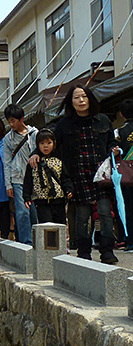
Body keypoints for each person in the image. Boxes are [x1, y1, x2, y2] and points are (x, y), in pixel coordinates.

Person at [32, 85, 120, 263]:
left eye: (84, 97)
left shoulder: (103, 120)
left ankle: (107, 251)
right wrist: (37, 153)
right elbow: (51, 144)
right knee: (82, 217)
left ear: (90, 99)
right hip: (78, 175)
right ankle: (83, 251)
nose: (81, 101)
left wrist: (114, 149)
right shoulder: (64, 124)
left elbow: (111, 141)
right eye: (76, 98)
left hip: (101, 175)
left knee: (105, 212)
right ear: (70, 102)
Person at [3, 104, 38, 244]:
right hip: (17, 178)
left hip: (34, 178)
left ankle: (37, 240)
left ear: (22, 119)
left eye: (13, 121)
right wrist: (8, 184)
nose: (11, 124)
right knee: (22, 211)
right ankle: (26, 243)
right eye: (9, 121)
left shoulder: (34, 134)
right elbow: (6, 162)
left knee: (34, 212)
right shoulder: (8, 139)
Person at [23, 129, 73, 225]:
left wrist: (69, 189)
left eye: (49, 143)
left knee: (59, 224)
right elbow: (28, 181)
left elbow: (65, 178)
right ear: (37, 145)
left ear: (54, 143)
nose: (46, 146)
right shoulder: (33, 162)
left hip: (58, 199)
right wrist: (27, 197)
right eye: (42, 143)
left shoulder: (58, 160)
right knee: (45, 225)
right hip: (41, 200)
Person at [116, 99, 133, 252]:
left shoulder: (119, 131)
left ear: (121, 114)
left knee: (127, 206)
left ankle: (130, 241)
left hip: (127, 176)